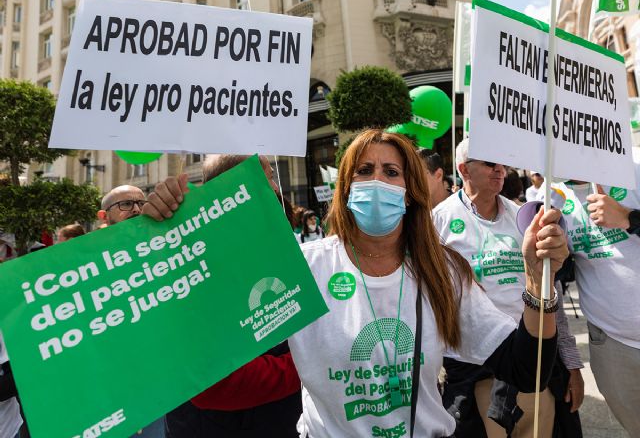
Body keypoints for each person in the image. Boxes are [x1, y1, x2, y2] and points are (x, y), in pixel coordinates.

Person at [142, 130, 567, 437]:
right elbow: (207, 353)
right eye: (364, 171)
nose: (377, 181)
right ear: (345, 190)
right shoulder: (302, 269)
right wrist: (176, 233)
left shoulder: (444, 271)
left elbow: (527, 370)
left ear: (410, 190)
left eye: (391, 171)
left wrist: (536, 278)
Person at [432, 139, 583, 438]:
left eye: (502, 163)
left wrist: (571, 363)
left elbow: (547, 290)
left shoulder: (525, 217)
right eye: (489, 163)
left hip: (531, 361)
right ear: (464, 170)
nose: (500, 169)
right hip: (475, 370)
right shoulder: (438, 221)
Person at [144, 154, 301, 438]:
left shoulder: (275, 243)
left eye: (273, 178)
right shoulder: (192, 258)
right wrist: (311, 363)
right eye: (266, 177)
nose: (276, 188)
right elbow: (216, 382)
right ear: (231, 185)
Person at [540, 148, 640, 436]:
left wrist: (628, 218)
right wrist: (555, 256)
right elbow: (556, 281)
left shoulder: (633, 165)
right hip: (612, 343)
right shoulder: (552, 195)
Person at [99, 185, 164, 438]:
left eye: (140, 202)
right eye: (125, 205)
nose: (137, 209)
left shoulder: (161, 247)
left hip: (159, 377)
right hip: (113, 383)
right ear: (103, 216)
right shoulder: (85, 262)